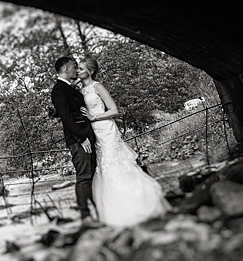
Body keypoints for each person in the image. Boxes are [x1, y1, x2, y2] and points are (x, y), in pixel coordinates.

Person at [77, 56, 171, 227]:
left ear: (90, 71)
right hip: (94, 134)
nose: (78, 71)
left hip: (106, 129)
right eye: (77, 68)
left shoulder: (97, 87)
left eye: (81, 68)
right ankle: (113, 212)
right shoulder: (79, 90)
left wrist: (93, 117)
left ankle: (135, 204)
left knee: (114, 165)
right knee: (103, 167)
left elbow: (114, 110)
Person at [51, 56, 98, 227]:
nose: (76, 69)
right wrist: (81, 137)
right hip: (79, 140)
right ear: (65, 69)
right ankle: (85, 216)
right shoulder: (59, 90)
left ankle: (97, 212)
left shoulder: (68, 88)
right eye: (73, 67)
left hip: (86, 137)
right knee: (84, 177)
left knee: (91, 176)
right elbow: (66, 116)